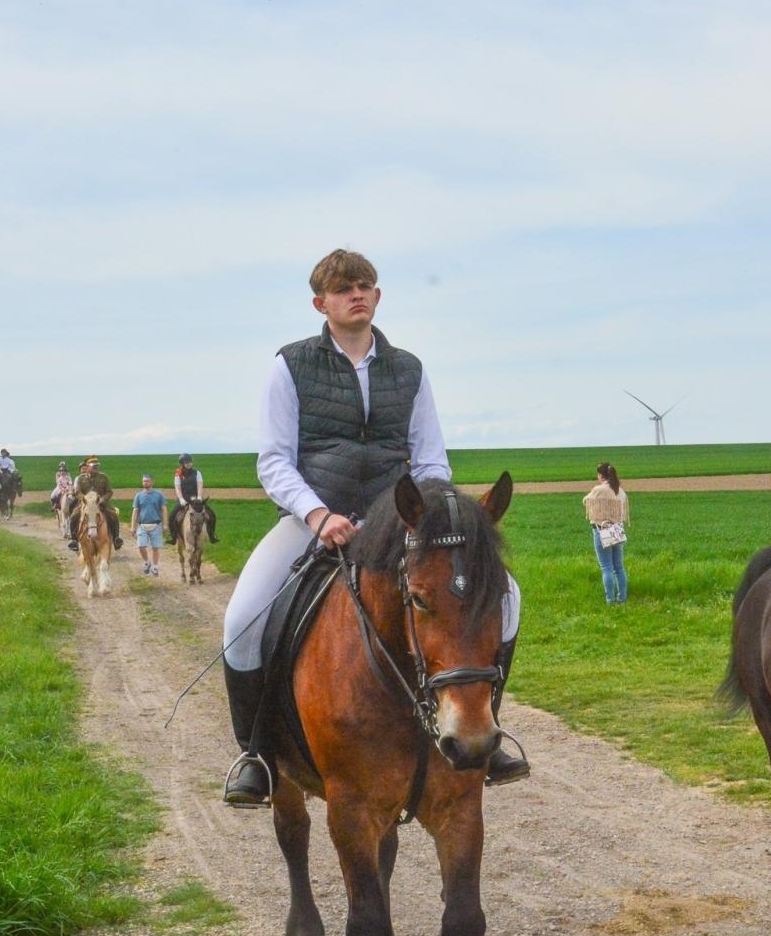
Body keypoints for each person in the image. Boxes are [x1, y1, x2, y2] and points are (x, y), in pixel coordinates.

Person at [221, 248, 528, 806]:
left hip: (400, 523)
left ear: (378, 296)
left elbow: (431, 460)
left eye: (364, 285)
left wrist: (431, 515)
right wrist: (317, 513)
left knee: (507, 596)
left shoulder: (409, 368)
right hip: (315, 518)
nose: (355, 294)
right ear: (322, 303)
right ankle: (255, 755)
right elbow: (274, 460)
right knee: (242, 618)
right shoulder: (290, 365)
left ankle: (487, 735)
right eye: (342, 289)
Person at [582, 462, 629, 604]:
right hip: (617, 529)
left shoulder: (599, 489)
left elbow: (586, 501)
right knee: (619, 567)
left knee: (606, 567)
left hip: (602, 529)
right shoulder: (619, 490)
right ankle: (622, 598)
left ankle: (610, 600)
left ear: (601, 475)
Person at [65, 457, 124, 551]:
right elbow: (78, 492)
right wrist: (85, 499)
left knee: (113, 515)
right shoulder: (81, 478)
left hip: (101, 503)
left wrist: (102, 499)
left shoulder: (104, 477)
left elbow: (109, 492)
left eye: (97, 466)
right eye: (93, 466)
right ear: (88, 467)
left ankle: (116, 538)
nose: (96, 468)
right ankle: (74, 540)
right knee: (74, 516)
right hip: (86, 504)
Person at [166, 453, 219, 546]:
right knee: (172, 517)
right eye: (186, 462)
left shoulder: (197, 473)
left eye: (190, 462)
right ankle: (173, 537)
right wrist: (181, 499)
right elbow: (177, 488)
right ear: (182, 463)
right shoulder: (178, 474)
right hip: (184, 500)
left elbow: (200, 485)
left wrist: (199, 497)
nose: (189, 464)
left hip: (196, 500)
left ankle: (212, 536)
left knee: (212, 515)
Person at [131, 474, 169, 577]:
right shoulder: (138, 496)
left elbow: (164, 509)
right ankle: (147, 562)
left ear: (152, 482)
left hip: (156, 525)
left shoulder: (159, 495)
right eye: (144, 481)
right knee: (141, 546)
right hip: (142, 525)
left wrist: (165, 524)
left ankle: (155, 567)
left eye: (147, 481)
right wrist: (132, 526)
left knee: (155, 547)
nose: (145, 483)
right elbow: (135, 511)